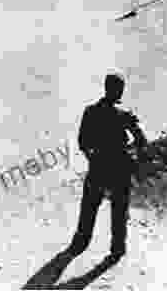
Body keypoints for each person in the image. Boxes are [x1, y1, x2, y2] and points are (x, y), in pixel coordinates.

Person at [68, 74, 147, 262]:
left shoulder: (91, 111)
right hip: (120, 166)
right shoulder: (125, 113)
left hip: (99, 166)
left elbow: (82, 142)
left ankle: (80, 242)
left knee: (89, 207)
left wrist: (92, 159)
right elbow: (141, 140)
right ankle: (117, 247)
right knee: (119, 210)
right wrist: (132, 157)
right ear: (119, 90)